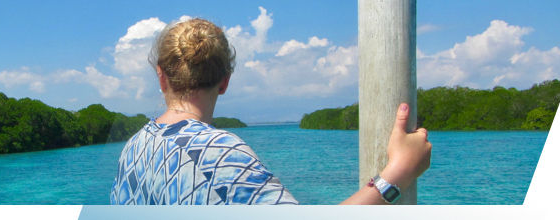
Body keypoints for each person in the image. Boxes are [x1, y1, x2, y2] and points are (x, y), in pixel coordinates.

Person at [110, 18, 431, 205]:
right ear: (225, 81)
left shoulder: (134, 148)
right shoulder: (215, 153)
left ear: (161, 75)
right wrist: (399, 172)